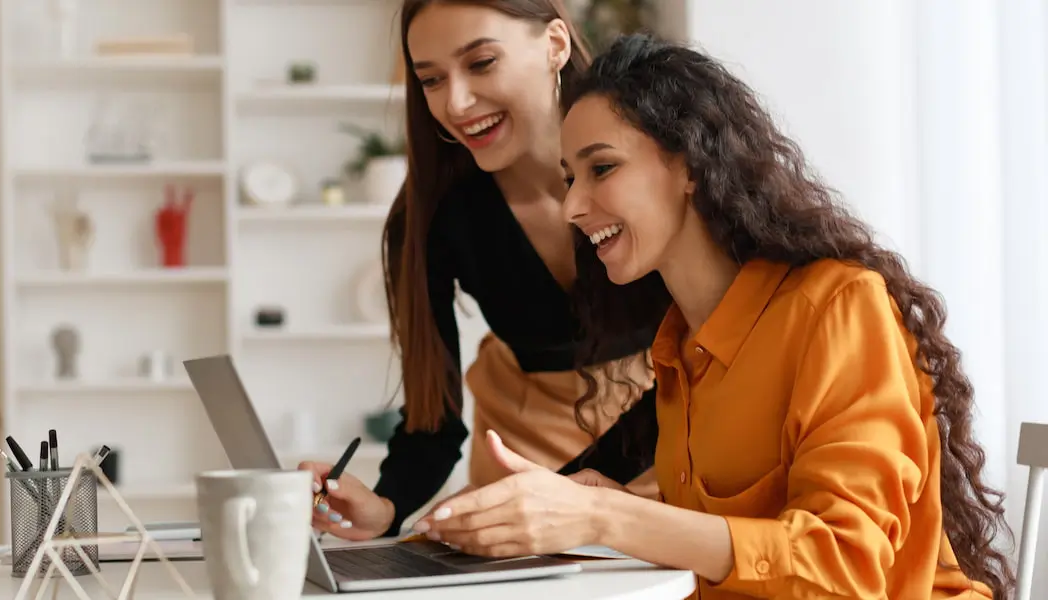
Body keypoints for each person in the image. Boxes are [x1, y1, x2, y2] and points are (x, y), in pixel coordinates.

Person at [411, 33, 1016, 600]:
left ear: (691, 166)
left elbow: (846, 569)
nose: (572, 205)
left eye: (602, 169)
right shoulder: (679, 351)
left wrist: (608, 516)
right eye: (570, 179)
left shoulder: (838, 307)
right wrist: (596, 502)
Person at [297, 1, 662, 541]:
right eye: (431, 79)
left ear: (555, 44)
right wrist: (386, 505)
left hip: (673, 430)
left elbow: (724, 354)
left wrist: (561, 492)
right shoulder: (431, 216)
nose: (457, 102)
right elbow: (432, 422)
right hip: (523, 447)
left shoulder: (657, 143)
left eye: (482, 63)